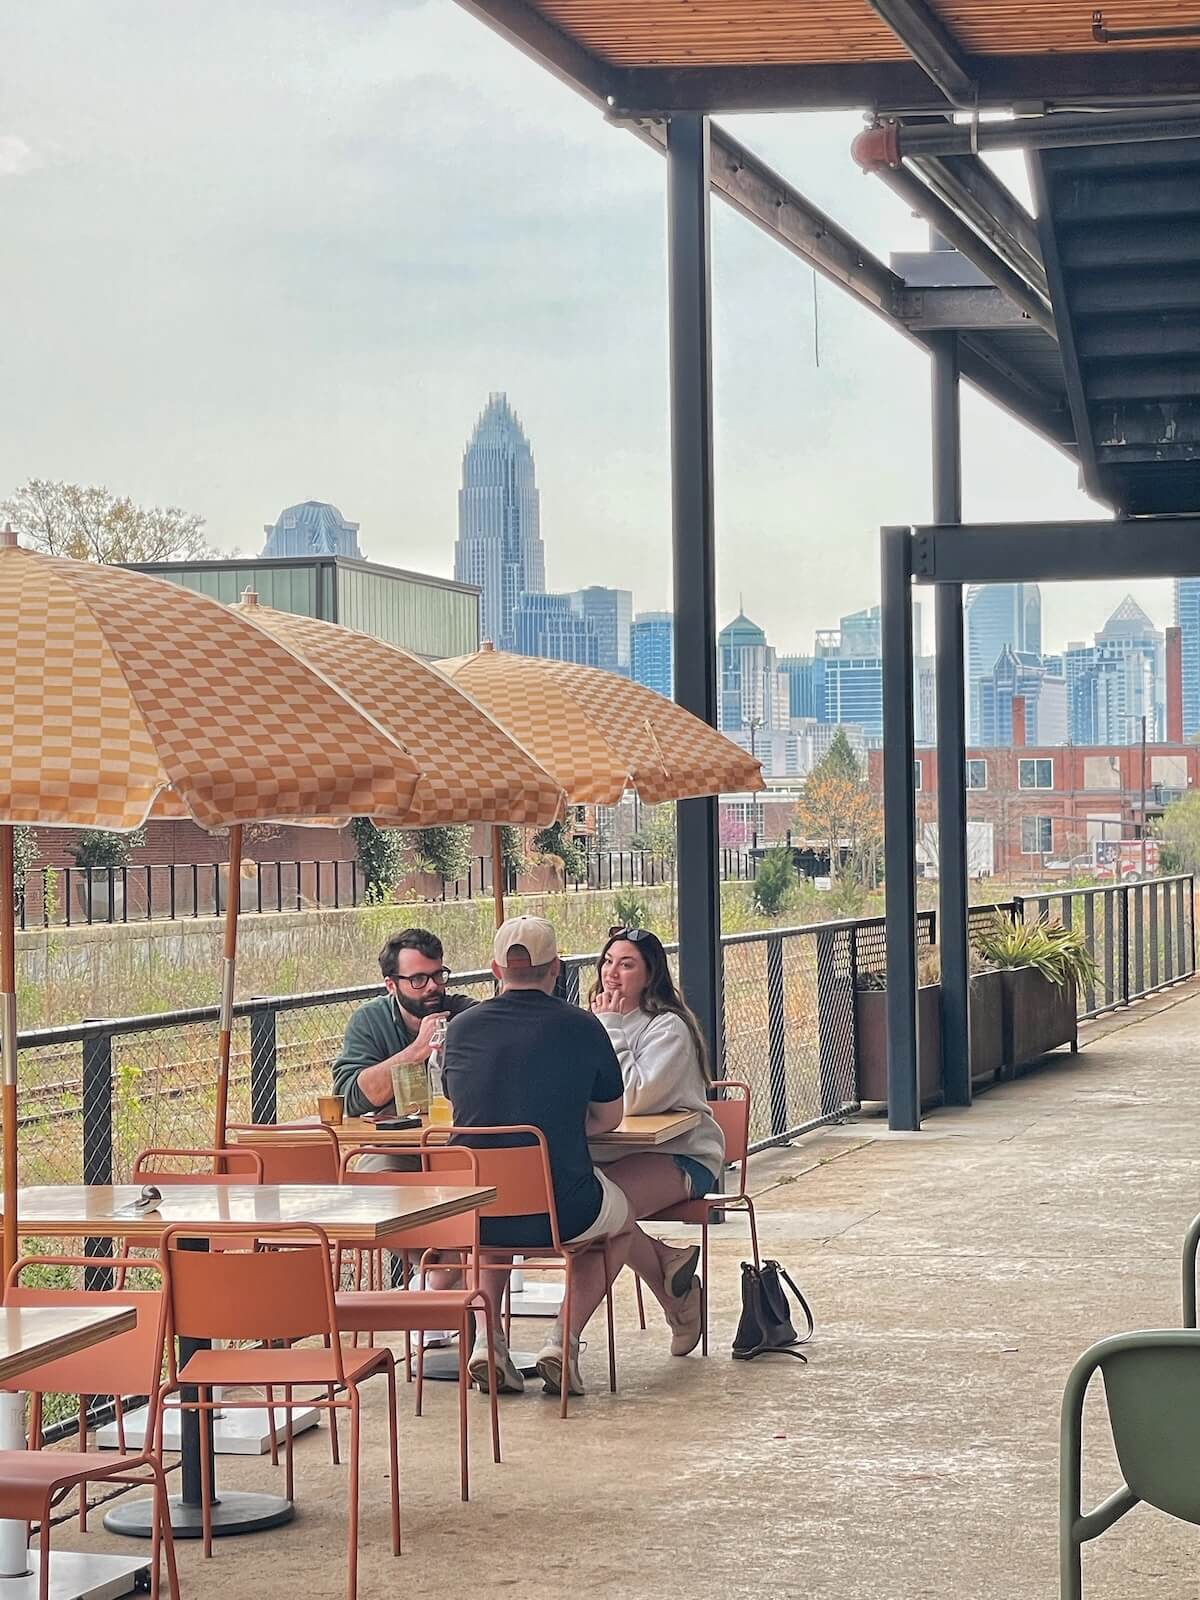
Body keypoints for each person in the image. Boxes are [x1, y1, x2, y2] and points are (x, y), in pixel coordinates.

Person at [443, 915, 636, 1399]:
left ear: (494, 970)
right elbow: (610, 1117)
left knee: (491, 1231)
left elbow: (457, 1103)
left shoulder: (460, 1030)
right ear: (557, 969)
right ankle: (563, 1340)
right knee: (624, 1224)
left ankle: (488, 1343)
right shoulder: (584, 1026)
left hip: (475, 1211)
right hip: (562, 1210)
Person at [589, 926, 724, 1358]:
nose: (612, 973)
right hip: (613, 1153)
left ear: (650, 975)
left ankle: (567, 1335)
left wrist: (609, 1028)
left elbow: (634, 1099)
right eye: (607, 962)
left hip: (681, 1153)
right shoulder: (587, 1022)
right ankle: (669, 1271)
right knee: (589, 1205)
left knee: (603, 1212)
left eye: (626, 965)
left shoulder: (668, 1028)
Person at [331, 928, 475, 1117]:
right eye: (418, 979)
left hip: (456, 1141)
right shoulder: (370, 1020)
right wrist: (417, 1050)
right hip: (394, 1144)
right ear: (391, 985)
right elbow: (348, 1099)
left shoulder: (466, 1014)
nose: (433, 986)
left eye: (438, 975)